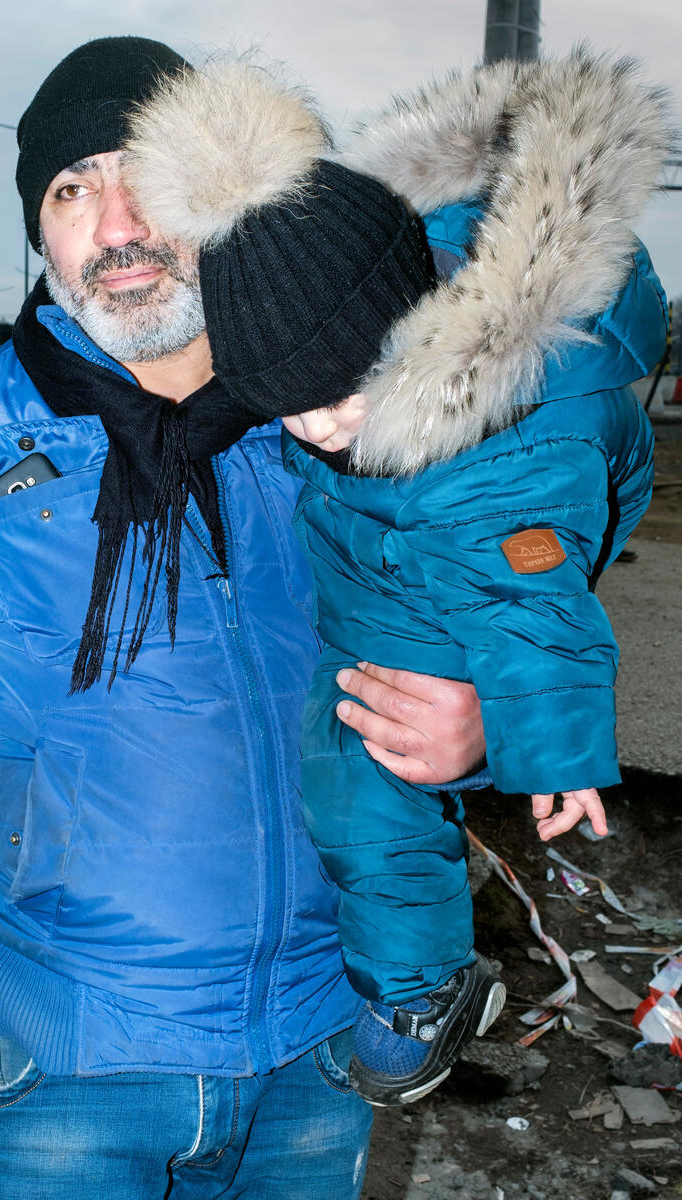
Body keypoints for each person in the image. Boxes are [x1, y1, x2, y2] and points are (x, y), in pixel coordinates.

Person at [0, 37, 487, 1199]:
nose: (116, 226)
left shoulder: (335, 420)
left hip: (318, 1047)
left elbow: (486, 618)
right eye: (71, 192)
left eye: (147, 180)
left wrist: (478, 723)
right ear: (39, 231)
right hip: (64, 1067)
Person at [120, 49, 669, 1107]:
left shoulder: (506, 449)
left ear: (408, 335)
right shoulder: (338, 361)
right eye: (288, 408)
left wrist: (554, 757)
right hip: (381, 580)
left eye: (336, 396)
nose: (317, 429)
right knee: (342, 773)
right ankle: (416, 977)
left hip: (463, 579)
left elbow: (534, 610)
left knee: (364, 785)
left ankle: (421, 989)